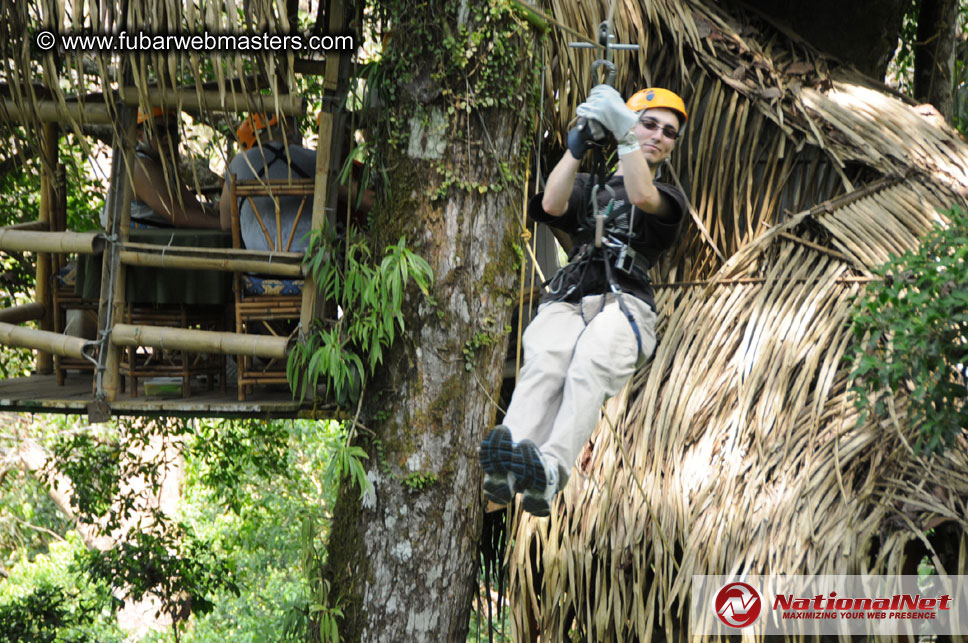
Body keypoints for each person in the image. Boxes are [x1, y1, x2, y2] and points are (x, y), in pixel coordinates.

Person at [479, 86, 690, 517]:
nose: (658, 135)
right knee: (546, 360)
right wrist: (577, 144)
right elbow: (552, 203)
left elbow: (641, 196)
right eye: (649, 124)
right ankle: (508, 463)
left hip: (624, 306)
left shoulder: (669, 197)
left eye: (668, 133)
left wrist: (626, 134)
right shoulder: (591, 187)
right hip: (571, 298)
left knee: (589, 361)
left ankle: (552, 467)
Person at [101, 107, 222, 229]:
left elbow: (189, 203)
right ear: (140, 136)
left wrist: (217, 214)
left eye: (172, 130)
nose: (167, 137)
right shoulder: (140, 167)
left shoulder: (164, 162)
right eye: (159, 130)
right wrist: (224, 225)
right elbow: (178, 216)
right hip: (140, 242)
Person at [219, 113, 316, 253]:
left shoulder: (238, 163)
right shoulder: (314, 160)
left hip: (258, 269)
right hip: (309, 267)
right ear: (289, 130)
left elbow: (226, 224)